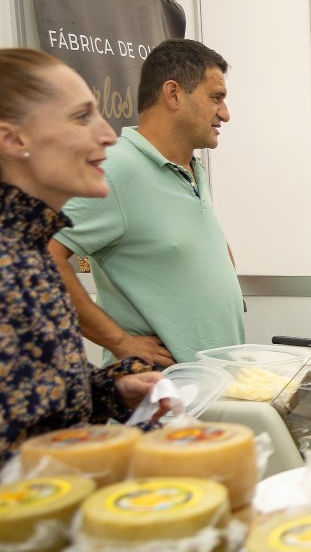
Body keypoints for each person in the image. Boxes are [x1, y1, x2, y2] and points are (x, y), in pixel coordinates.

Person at [0, 48, 166, 462]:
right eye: (81, 117)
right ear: (13, 140)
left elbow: (35, 397)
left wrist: (111, 390)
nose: (108, 134)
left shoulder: (29, 245)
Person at [49, 39, 244, 366]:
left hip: (210, 388)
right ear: (173, 94)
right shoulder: (114, 171)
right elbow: (43, 257)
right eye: (216, 98)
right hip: (157, 396)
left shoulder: (191, 168)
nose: (224, 113)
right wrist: (120, 342)